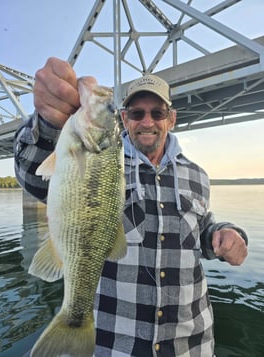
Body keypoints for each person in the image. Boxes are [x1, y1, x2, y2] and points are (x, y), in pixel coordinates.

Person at [14, 57, 248, 357]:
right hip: (117, 346)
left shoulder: (197, 174)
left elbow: (200, 232)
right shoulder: (101, 161)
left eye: (157, 112)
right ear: (124, 119)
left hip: (192, 346)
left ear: (171, 118)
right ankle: (74, 320)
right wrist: (47, 124)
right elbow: (33, 173)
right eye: (137, 113)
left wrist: (223, 233)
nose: (147, 121)